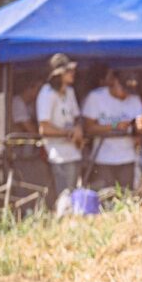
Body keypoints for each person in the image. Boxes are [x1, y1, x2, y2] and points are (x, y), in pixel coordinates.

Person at [81, 69, 142, 191]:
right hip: (103, 159)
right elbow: (88, 128)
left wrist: (141, 127)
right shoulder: (96, 97)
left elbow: (139, 134)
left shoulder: (135, 100)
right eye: (124, 89)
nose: (126, 94)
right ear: (115, 82)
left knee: (127, 196)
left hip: (128, 158)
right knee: (105, 197)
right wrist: (115, 125)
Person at [36, 53, 84, 197]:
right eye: (68, 70)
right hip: (59, 155)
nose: (72, 73)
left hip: (74, 151)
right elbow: (44, 128)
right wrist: (68, 133)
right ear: (58, 74)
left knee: (74, 194)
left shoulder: (69, 91)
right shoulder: (46, 94)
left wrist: (78, 129)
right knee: (65, 197)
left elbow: (77, 117)